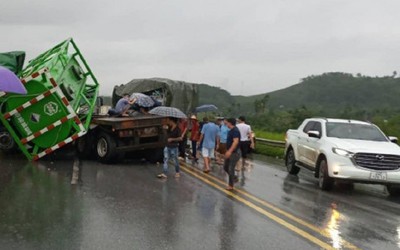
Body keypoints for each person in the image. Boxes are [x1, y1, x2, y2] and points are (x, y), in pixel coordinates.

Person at [224, 118, 241, 190]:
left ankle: (231, 185)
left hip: (234, 153)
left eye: (227, 122)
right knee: (225, 167)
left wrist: (229, 151)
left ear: (230, 123)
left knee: (231, 168)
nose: (226, 124)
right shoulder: (231, 130)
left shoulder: (235, 131)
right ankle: (234, 177)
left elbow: (235, 142)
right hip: (230, 151)